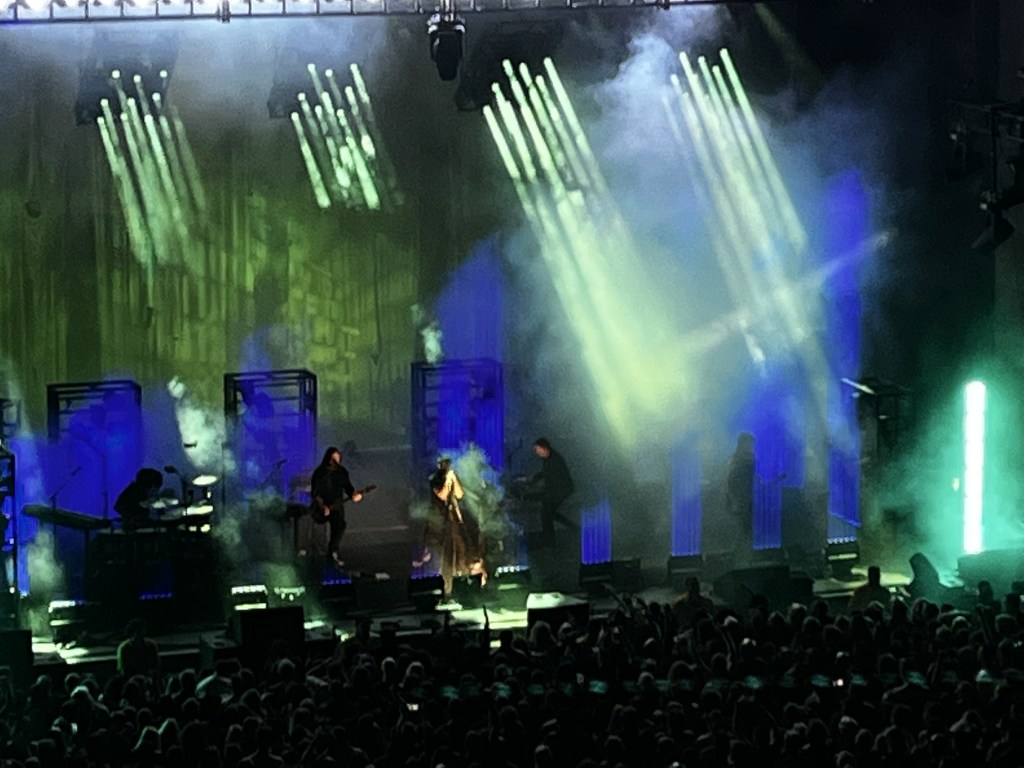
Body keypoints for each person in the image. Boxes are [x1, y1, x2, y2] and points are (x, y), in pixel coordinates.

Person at [310, 446, 363, 568]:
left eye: (337, 458)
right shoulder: (320, 472)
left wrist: (354, 495)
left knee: (339, 526)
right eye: (332, 458)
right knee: (320, 525)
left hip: (336, 506)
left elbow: (348, 488)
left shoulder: (341, 472)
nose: (335, 461)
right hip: (321, 507)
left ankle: (332, 553)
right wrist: (322, 505)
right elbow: (315, 493)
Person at [430, 457, 471, 597]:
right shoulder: (435, 480)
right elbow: (442, 495)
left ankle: (463, 585)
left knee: (461, 551)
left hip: (455, 521)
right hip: (442, 523)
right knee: (447, 556)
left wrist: (454, 479)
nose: (447, 466)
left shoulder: (452, 476)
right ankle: (447, 589)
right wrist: (448, 480)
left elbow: (460, 494)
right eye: (444, 463)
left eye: (448, 463)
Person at [529, 438, 577, 538]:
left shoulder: (555, 461)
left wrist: (539, 492)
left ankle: (549, 538)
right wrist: (536, 477)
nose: (536, 452)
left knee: (546, 513)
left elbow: (554, 481)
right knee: (550, 512)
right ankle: (574, 529)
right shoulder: (548, 458)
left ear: (544, 448)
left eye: (537, 449)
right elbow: (545, 472)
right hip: (558, 489)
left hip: (562, 490)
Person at [726, 433, 756, 554]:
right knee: (743, 531)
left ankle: (741, 555)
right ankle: (737, 556)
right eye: (748, 444)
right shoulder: (737, 461)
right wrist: (734, 501)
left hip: (748, 501)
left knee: (746, 531)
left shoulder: (749, 460)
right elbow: (730, 482)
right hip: (742, 501)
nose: (751, 447)